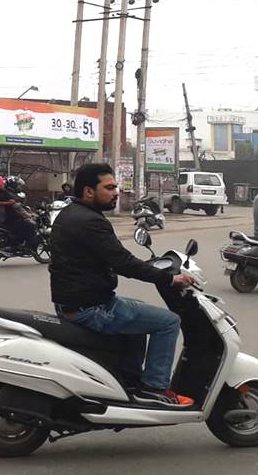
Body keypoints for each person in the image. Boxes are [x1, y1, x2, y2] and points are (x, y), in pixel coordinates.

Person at [50, 163, 196, 408]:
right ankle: (154, 388)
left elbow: (112, 257)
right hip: (91, 308)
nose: (116, 192)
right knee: (168, 321)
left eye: (116, 186)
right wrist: (169, 278)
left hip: (76, 301)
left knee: (138, 310)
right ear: (88, 191)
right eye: (109, 188)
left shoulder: (70, 214)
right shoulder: (90, 222)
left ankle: (130, 379)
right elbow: (122, 262)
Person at [0, 175, 39, 252]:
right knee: (29, 226)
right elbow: (17, 208)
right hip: (3, 219)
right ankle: (18, 246)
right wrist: (28, 215)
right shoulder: (6, 194)